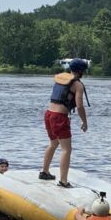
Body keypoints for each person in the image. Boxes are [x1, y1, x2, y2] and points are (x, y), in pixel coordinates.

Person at [40, 58, 89, 188]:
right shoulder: (78, 85)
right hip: (59, 117)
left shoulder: (61, 78)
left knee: (53, 143)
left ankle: (44, 172)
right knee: (66, 150)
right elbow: (79, 106)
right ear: (82, 71)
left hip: (48, 114)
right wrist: (84, 121)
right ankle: (63, 181)